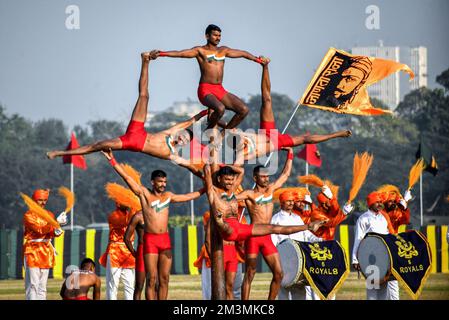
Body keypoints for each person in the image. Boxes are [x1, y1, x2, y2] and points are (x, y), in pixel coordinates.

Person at [46, 52, 207, 177]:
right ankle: (145, 60)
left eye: (185, 140)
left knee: (97, 146)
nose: (182, 138)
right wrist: (205, 112)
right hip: (137, 131)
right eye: (183, 135)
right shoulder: (169, 133)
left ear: (185, 144)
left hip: (129, 143)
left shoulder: (171, 154)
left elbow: (190, 167)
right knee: (144, 96)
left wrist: (204, 178)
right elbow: (189, 121)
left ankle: (59, 153)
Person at [102, 149, 205, 300]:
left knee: (164, 280)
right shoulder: (144, 194)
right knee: (151, 279)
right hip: (150, 241)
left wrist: (206, 188)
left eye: (165, 182)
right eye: (160, 181)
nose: (163, 184)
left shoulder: (168, 196)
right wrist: (112, 160)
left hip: (165, 240)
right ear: (152, 182)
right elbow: (127, 178)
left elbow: (188, 196)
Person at [228, 58, 352, 161]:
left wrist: (217, 120)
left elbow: (227, 128)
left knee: (267, 100)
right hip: (277, 143)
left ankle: (265, 67)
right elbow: (237, 168)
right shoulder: (241, 156)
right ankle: (336, 134)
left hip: (268, 132)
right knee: (305, 138)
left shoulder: (236, 135)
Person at [152, 24, 264, 129]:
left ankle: (225, 131)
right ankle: (209, 130)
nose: (218, 38)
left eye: (219, 35)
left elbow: (243, 53)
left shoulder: (223, 50)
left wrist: (258, 60)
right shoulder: (200, 50)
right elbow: (180, 53)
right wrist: (161, 53)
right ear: (207, 36)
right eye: (215, 35)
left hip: (219, 89)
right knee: (220, 108)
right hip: (205, 90)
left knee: (243, 110)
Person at [204, 164, 327, 259]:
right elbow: (207, 172)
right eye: (227, 180)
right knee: (224, 225)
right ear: (219, 179)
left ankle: (309, 226)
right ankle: (220, 221)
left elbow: (241, 171)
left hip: (241, 229)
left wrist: (224, 167)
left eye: (232, 180)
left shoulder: (233, 193)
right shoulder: (214, 193)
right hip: (228, 229)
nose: (231, 182)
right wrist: (211, 163)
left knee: (275, 228)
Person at [235, 147, 294, 300]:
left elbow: (285, 174)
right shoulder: (249, 193)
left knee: (279, 273)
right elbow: (231, 198)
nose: (266, 179)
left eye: (267, 176)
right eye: (263, 177)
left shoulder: (271, 190)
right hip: (253, 236)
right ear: (255, 178)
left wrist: (290, 154)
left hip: (267, 237)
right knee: (250, 273)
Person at [271, 191, 323, 300]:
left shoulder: (297, 218)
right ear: (282, 203)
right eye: (288, 201)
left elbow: (307, 234)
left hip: (300, 260)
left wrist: (318, 240)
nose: (290, 203)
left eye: (292, 201)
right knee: (284, 291)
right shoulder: (276, 219)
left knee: (299, 291)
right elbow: (273, 241)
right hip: (283, 261)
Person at [23, 189, 67, 300]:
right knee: (33, 285)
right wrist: (55, 223)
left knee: (42, 286)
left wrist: (57, 230)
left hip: (46, 251)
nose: (43, 203)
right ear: (34, 200)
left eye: (45, 200)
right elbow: (39, 230)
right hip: (33, 251)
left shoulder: (49, 214)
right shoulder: (29, 215)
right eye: (40, 200)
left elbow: (50, 233)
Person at [352, 192, 395, 300]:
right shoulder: (363, 218)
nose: (380, 204)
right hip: (370, 257)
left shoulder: (383, 218)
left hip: (384, 256)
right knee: (372, 286)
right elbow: (358, 239)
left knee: (384, 286)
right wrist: (355, 260)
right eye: (377, 202)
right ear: (370, 203)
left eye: (381, 202)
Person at [377, 184, 413, 300]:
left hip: (392, 249)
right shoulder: (380, 213)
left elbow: (406, 220)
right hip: (379, 248)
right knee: (379, 281)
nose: (393, 203)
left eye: (394, 201)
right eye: (391, 201)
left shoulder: (397, 213)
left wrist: (405, 207)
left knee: (393, 280)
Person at [98, 202, 136, 300]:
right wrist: (134, 207)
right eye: (124, 201)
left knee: (130, 284)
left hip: (128, 251)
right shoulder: (114, 215)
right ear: (118, 204)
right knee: (112, 283)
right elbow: (126, 222)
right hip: (115, 251)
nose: (126, 202)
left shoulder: (131, 213)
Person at [124, 211, 146, 300]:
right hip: (143, 249)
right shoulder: (138, 216)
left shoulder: (157, 213)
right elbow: (126, 238)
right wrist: (134, 253)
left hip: (155, 250)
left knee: (155, 283)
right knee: (139, 285)